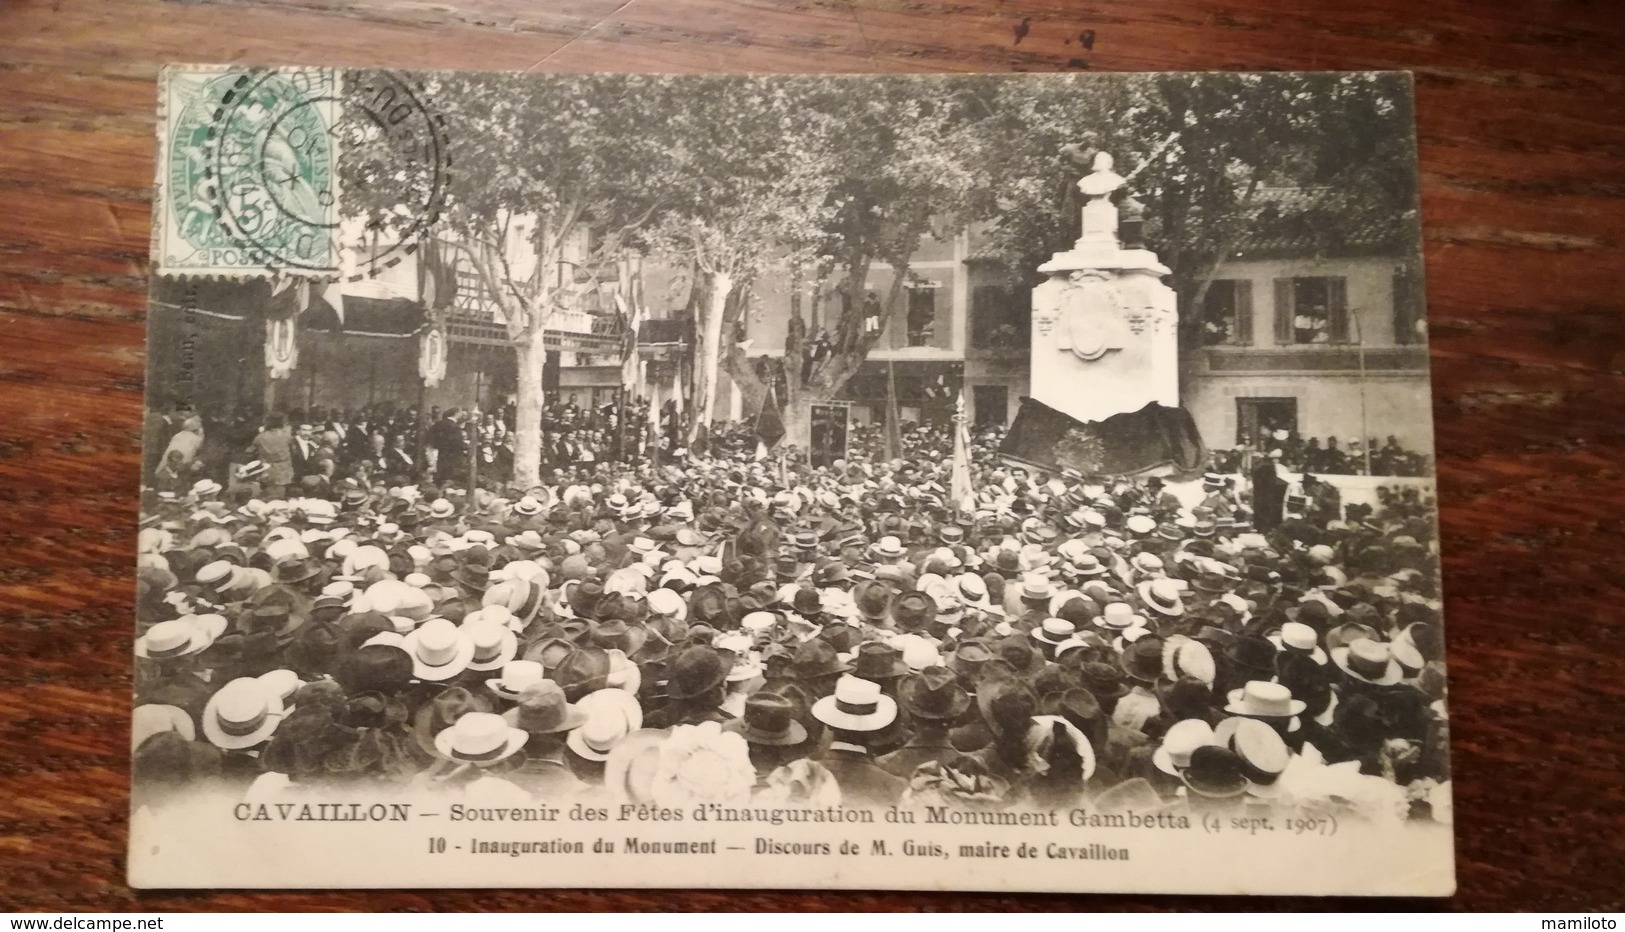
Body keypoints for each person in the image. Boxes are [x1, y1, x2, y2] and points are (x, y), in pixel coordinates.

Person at [249, 413, 294, 499]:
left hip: (266, 468)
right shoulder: (286, 436)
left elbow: (251, 449)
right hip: (284, 469)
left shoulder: (260, 437)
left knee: (267, 494)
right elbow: (293, 449)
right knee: (281, 495)